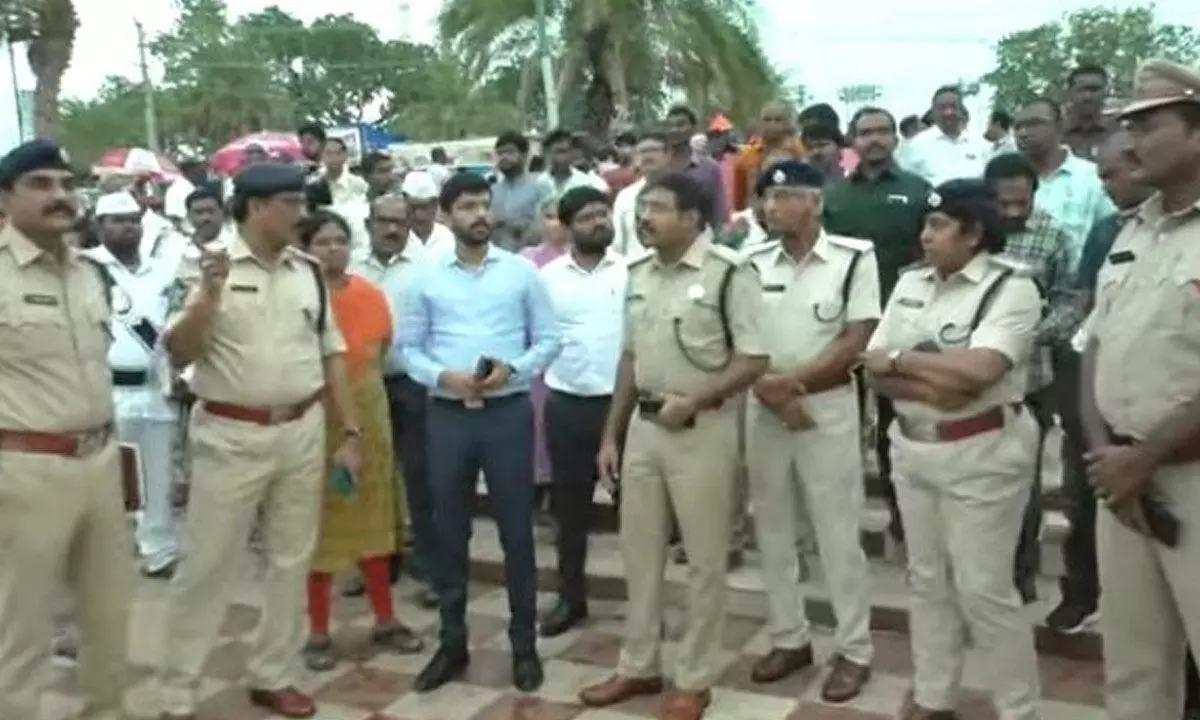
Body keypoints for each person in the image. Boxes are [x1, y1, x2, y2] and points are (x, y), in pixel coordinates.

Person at [158, 162, 362, 720]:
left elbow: (331, 353)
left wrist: (350, 431)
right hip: (230, 432)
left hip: (302, 427)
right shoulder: (203, 265)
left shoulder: (307, 271)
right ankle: (178, 686)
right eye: (291, 203)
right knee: (208, 563)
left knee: (291, 558)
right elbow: (180, 351)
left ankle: (273, 674)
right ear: (254, 207)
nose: (302, 213)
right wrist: (208, 294)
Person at [578, 173, 767, 720]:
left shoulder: (730, 274)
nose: (644, 218)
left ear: (692, 217)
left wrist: (697, 400)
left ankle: (695, 677)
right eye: (642, 209)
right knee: (638, 554)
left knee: (705, 560)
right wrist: (611, 433)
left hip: (702, 429)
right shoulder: (638, 274)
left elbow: (754, 359)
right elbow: (631, 359)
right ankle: (638, 666)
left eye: (657, 208)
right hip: (643, 427)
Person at [862, 178, 1043, 720]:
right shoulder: (911, 283)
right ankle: (934, 696)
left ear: (975, 233)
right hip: (913, 449)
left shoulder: (1010, 288)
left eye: (938, 226)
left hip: (982, 452)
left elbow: (984, 370)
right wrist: (934, 378)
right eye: (925, 223)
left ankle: (1019, 709)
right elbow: (874, 366)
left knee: (984, 591)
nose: (925, 236)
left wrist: (902, 361)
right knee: (927, 581)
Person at [397, 171, 561, 693]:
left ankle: (524, 647)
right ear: (445, 215)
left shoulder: (520, 272)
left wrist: (511, 370)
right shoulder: (424, 276)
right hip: (447, 415)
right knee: (450, 534)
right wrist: (443, 376)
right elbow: (408, 348)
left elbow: (551, 340)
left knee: (517, 533)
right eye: (466, 206)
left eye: (484, 205)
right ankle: (452, 644)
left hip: (507, 414)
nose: (479, 215)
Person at [1080, 60, 1200, 720]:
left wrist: (1143, 456)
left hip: (1188, 477)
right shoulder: (1132, 230)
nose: (1131, 142)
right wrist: (1108, 458)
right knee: (1133, 670)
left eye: (1149, 124)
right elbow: (1097, 345)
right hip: (1124, 485)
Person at [0, 139, 132, 720]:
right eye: (40, 184)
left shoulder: (89, 272)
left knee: (109, 612)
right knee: (20, 622)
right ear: (5, 198)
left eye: (64, 184)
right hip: (24, 469)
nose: (59, 196)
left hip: (99, 460)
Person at [743, 161, 878, 702]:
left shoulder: (853, 258)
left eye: (785, 197)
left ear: (815, 203)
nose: (772, 207)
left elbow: (857, 336)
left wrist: (790, 387)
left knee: (838, 533)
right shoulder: (750, 262)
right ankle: (789, 637)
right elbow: (738, 336)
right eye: (767, 198)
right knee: (773, 530)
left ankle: (855, 649)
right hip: (762, 408)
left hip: (827, 408)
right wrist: (768, 391)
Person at [296, 209, 424, 670]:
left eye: (340, 240)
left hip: (371, 419)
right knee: (318, 526)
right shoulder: (297, 298)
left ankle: (386, 620)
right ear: (304, 248)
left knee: (376, 518)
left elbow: (380, 351)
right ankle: (317, 631)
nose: (334, 249)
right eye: (323, 241)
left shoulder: (370, 295)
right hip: (316, 420)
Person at [824, 106, 932, 546]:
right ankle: (837, 524)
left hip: (900, 327)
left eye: (883, 131)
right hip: (843, 328)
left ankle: (903, 522)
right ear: (852, 140)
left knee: (896, 427)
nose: (875, 139)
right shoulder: (834, 196)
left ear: (895, 138)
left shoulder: (919, 191)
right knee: (839, 429)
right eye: (866, 132)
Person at [983, 153, 1076, 604]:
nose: (1013, 213)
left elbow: (1070, 301)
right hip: (974, 384)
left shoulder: (1055, 236)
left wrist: (1027, 336)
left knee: (1023, 485)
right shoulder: (974, 235)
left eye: (1021, 203)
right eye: (1004, 205)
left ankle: (1021, 573)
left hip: (1032, 381)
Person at [537, 186, 627, 637]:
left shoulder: (632, 271)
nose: (599, 222)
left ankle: (645, 605)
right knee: (570, 513)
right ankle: (571, 599)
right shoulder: (548, 278)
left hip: (625, 406)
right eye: (589, 217)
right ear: (569, 227)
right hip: (568, 406)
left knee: (639, 512)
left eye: (603, 214)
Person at [84, 190, 182, 579]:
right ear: (100, 225)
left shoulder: (160, 271)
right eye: (118, 220)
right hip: (108, 391)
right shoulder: (86, 267)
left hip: (155, 387)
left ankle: (159, 550)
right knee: (110, 482)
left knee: (158, 476)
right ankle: (105, 556)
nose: (128, 226)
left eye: (134, 219)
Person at [348, 195, 438, 605]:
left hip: (413, 384)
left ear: (409, 224)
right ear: (368, 224)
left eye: (398, 222)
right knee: (370, 475)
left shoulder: (427, 269)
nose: (391, 229)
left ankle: (432, 565)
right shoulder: (350, 270)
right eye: (382, 221)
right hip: (364, 385)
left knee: (421, 475)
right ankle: (378, 559)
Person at [523, 197, 571, 522]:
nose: (555, 224)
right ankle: (535, 492)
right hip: (535, 356)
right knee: (536, 425)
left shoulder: (579, 259)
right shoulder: (526, 260)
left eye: (561, 217)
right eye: (550, 216)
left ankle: (560, 499)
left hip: (571, 355)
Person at [899, 85, 993, 185]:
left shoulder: (981, 144)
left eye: (953, 106)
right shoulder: (915, 145)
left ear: (961, 110)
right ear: (933, 112)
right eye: (942, 108)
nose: (948, 112)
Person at [730, 101, 806, 211]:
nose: (772, 125)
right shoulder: (746, 157)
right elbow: (739, 201)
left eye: (778, 120)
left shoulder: (799, 153)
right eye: (767, 120)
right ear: (760, 124)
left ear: (788, 123)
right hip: (756, 219)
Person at [613, 130, 670, 257]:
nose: (647, 156)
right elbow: (617, 245)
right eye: (642, 152)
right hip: (635, 269)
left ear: (668, 154)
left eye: (653, 150)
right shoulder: (625, 197)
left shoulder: (683, 191)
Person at [491, 131, 549, 251]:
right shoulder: (492, 191)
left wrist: (510, 224)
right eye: (500, 153)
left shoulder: (540, 187)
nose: (504, 157)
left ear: (524, 155)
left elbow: (543, 228)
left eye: (510, 152)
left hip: (530, 258)